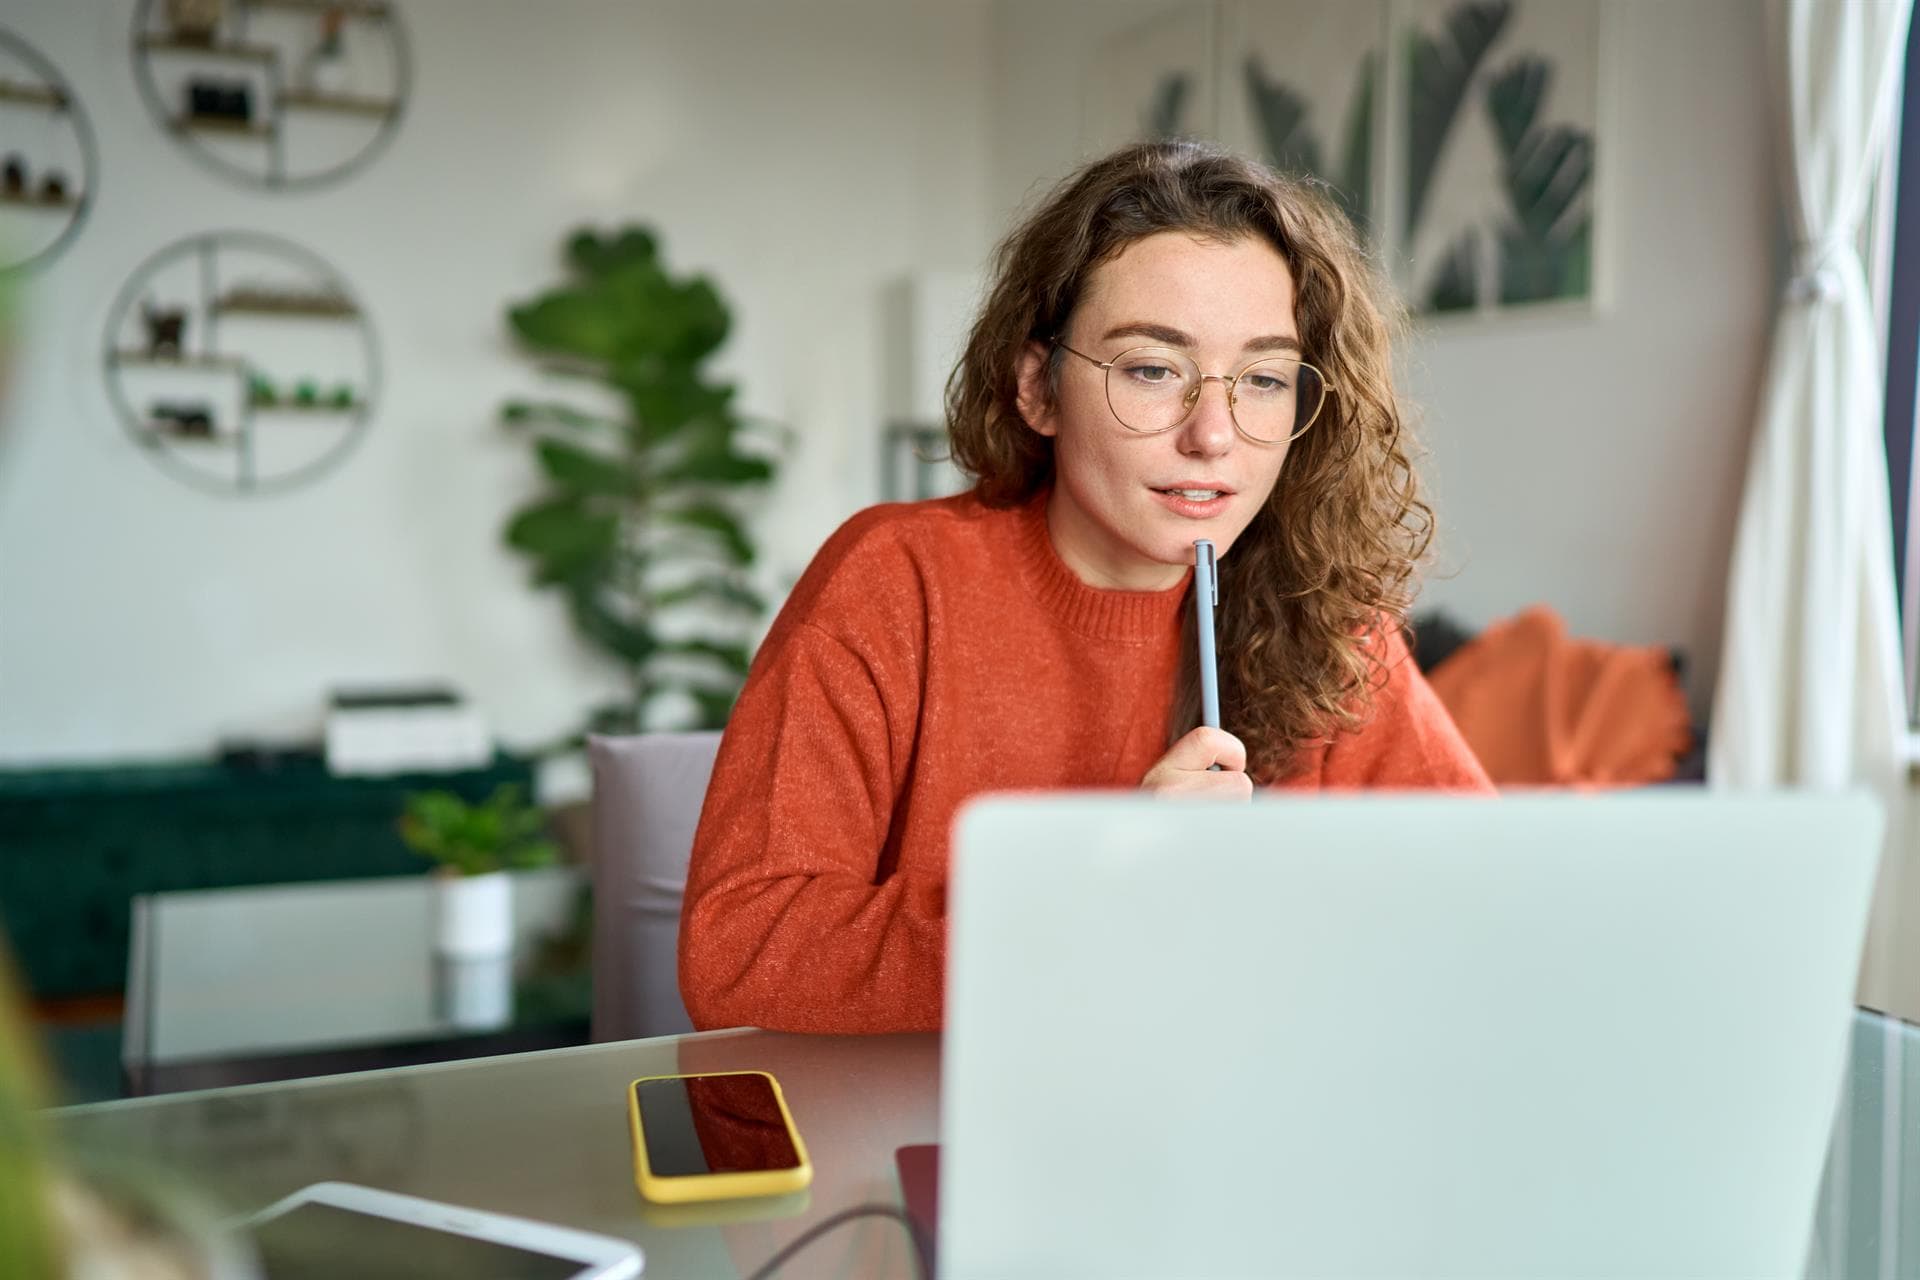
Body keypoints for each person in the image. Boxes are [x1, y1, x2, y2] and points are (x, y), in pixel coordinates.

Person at [679, 139, 1493, 1035]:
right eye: (1152, 369)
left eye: (1261, 379)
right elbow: (743, 948)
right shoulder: (896, 581)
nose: (1214, 435)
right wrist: (1092, 894)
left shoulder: (1328, 617)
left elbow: (1489, 903)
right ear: (1039, 388)